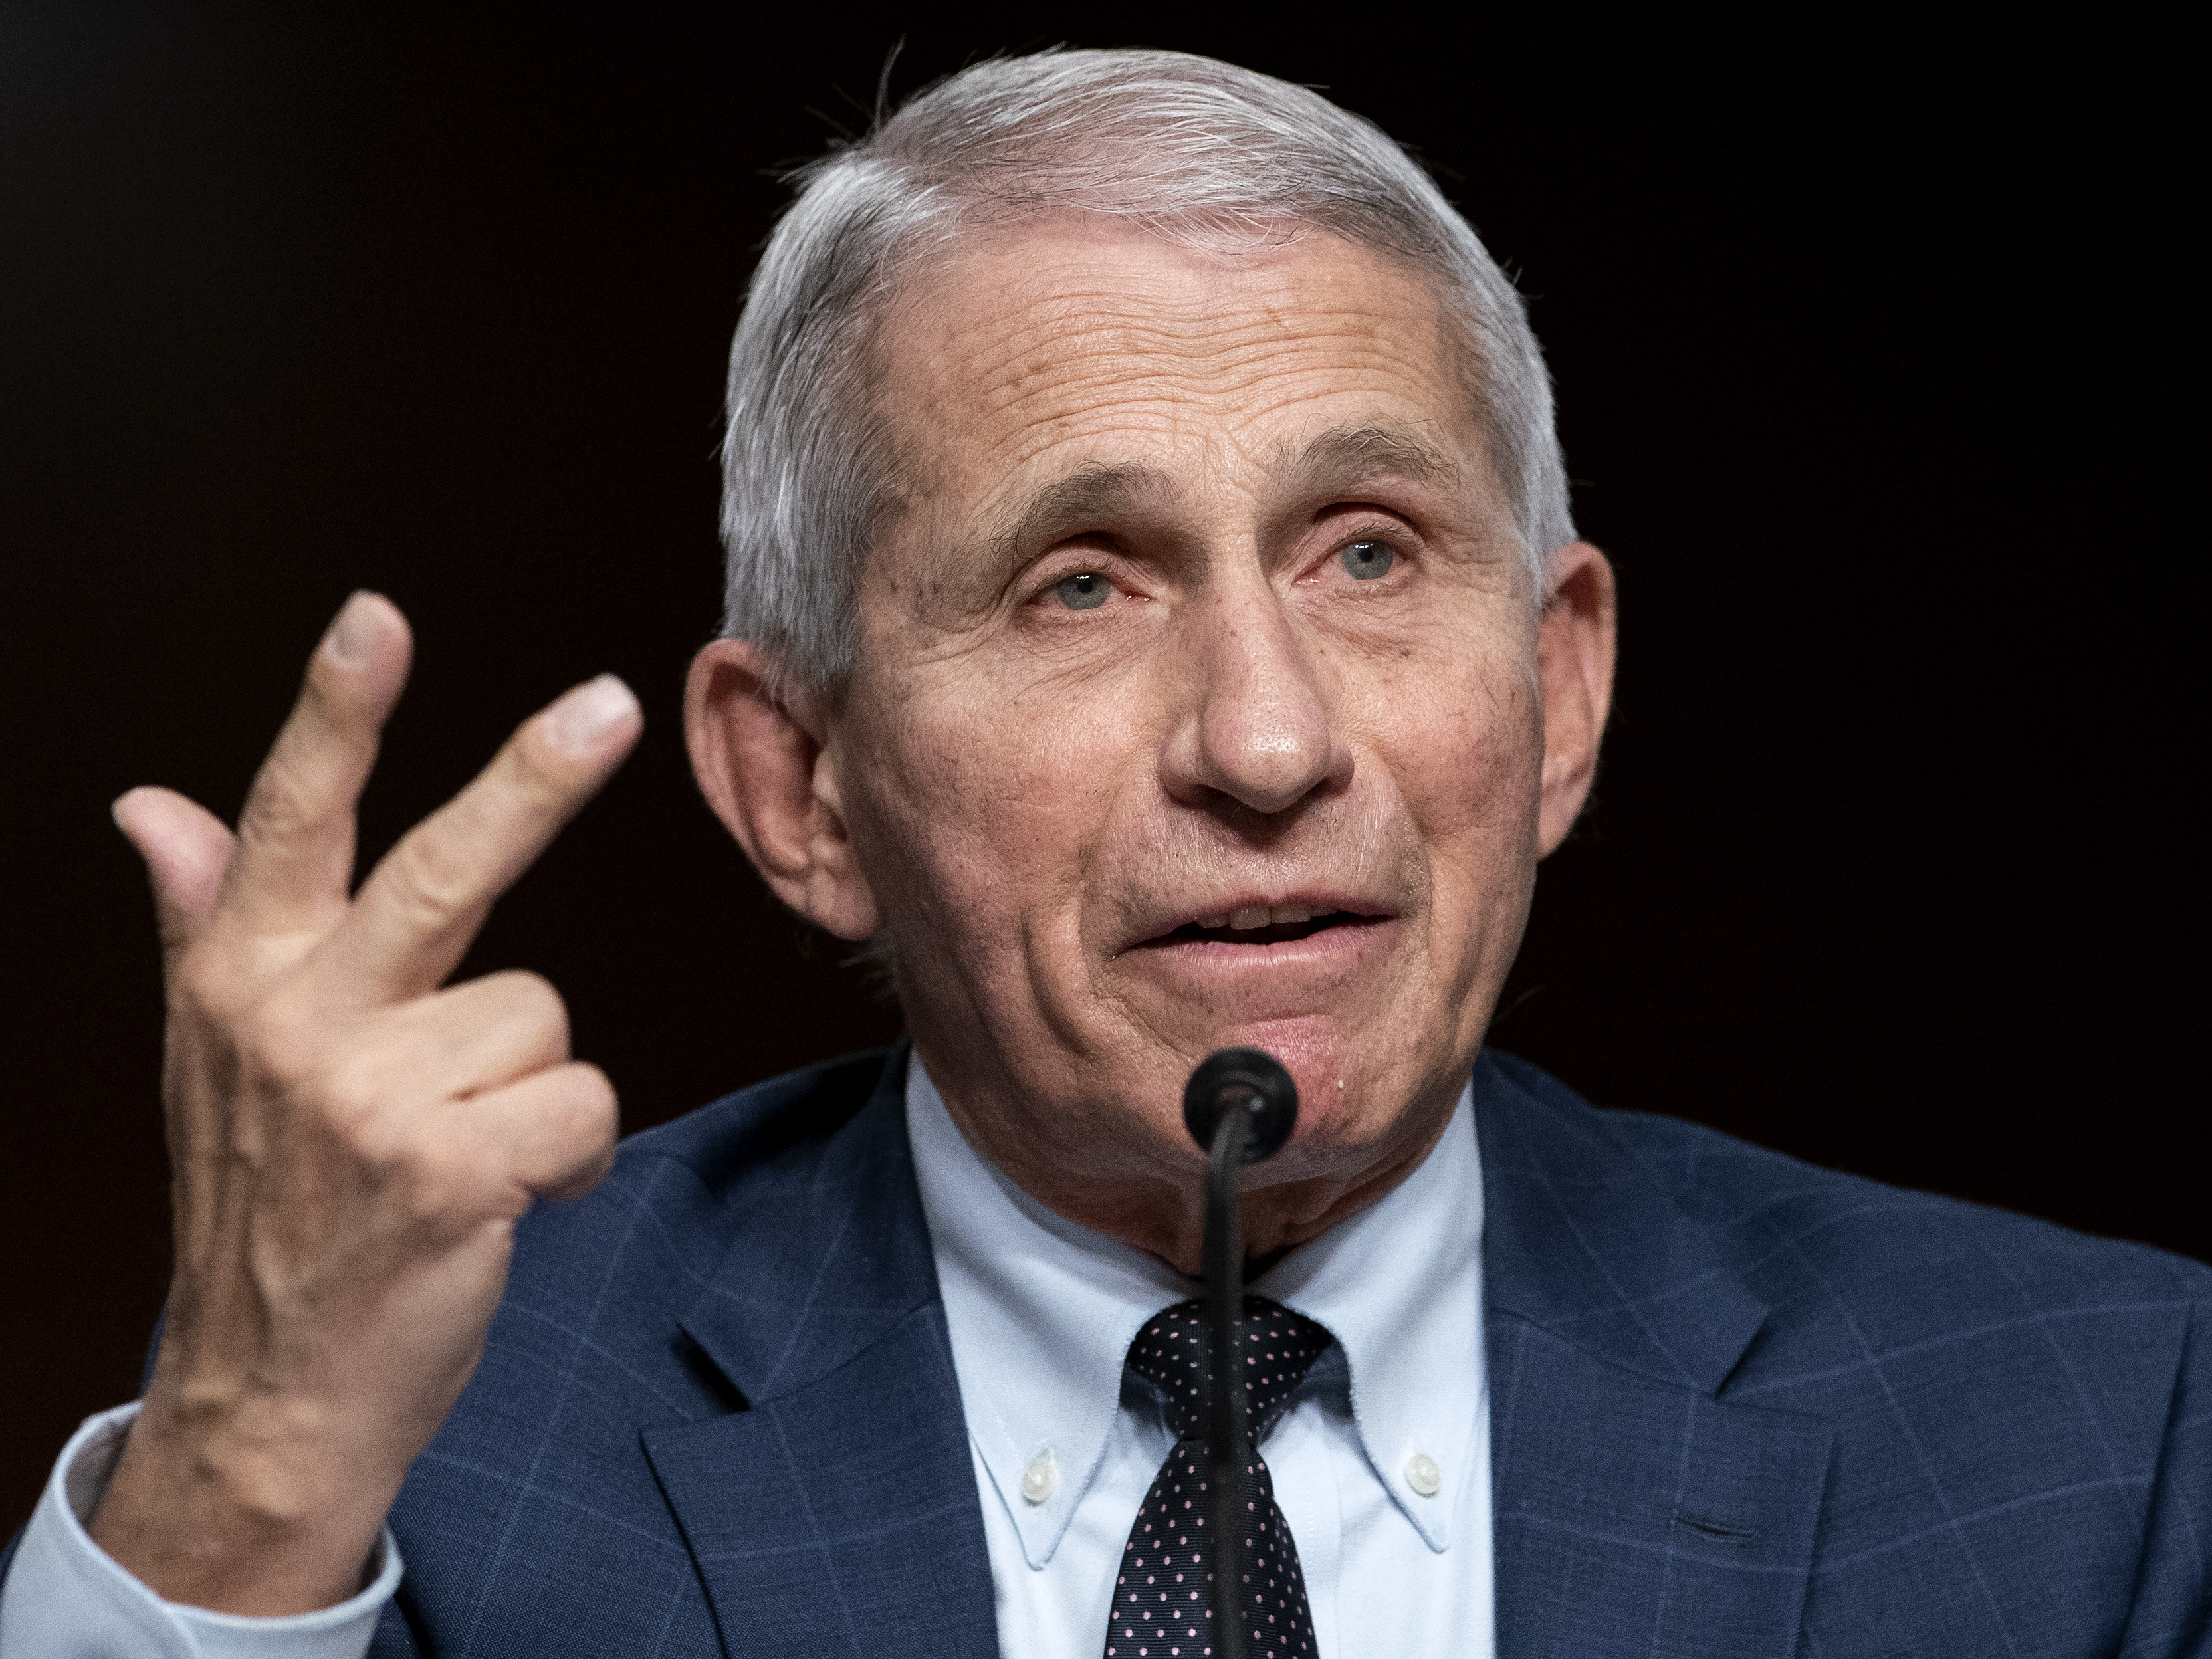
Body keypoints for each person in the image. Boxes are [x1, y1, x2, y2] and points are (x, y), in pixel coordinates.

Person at [1, 47, 2204, 1659]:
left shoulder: (2105, 1437)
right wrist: (248, 1485)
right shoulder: (433, 1452)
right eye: (1082, 582)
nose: (1266, 740)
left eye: (1367, 553)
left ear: (1565, 695)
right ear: (800, 789)